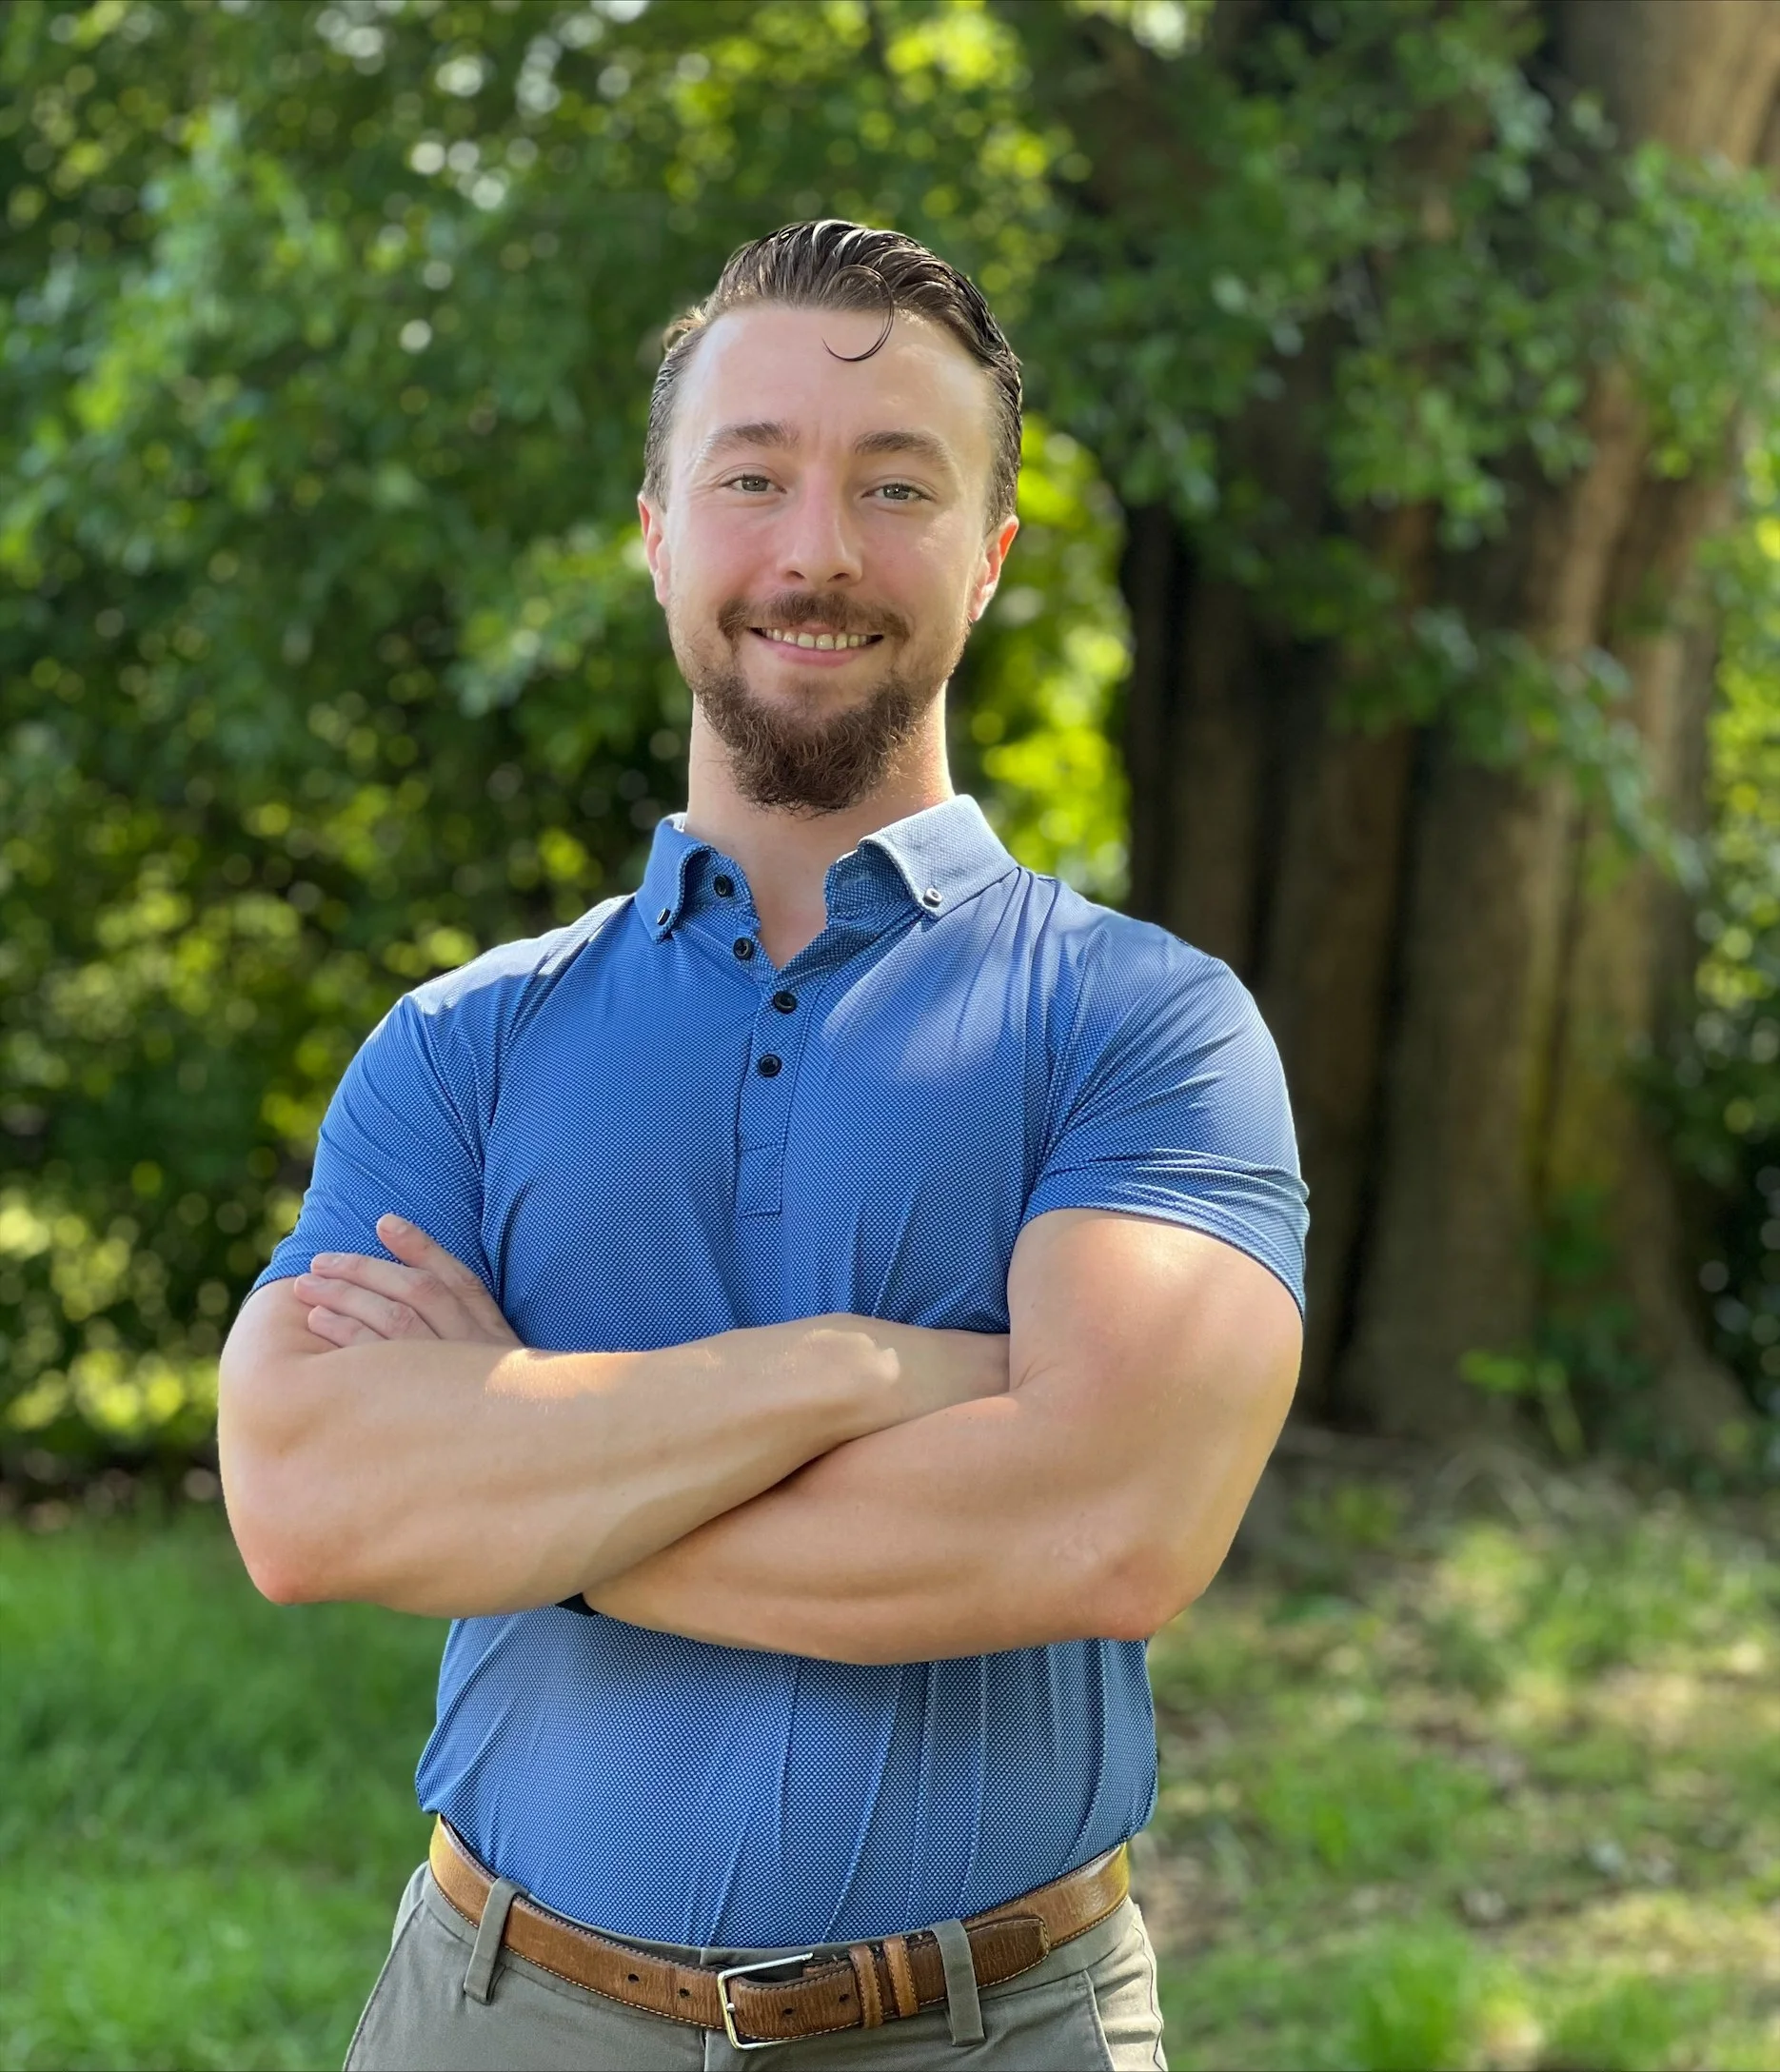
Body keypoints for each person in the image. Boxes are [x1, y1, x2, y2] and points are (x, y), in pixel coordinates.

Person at [218, 220, 1308, 2072]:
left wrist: (521, 1491)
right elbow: (310, 1499)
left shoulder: (1140, 1025)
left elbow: (1101, 1521)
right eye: (751, 478)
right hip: (497, 2017)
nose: (817, 550)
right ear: (656, 535)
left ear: (988, 557)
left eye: (896, 486)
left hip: (992, 2031)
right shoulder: (465, 1044)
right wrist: (860, 1370)